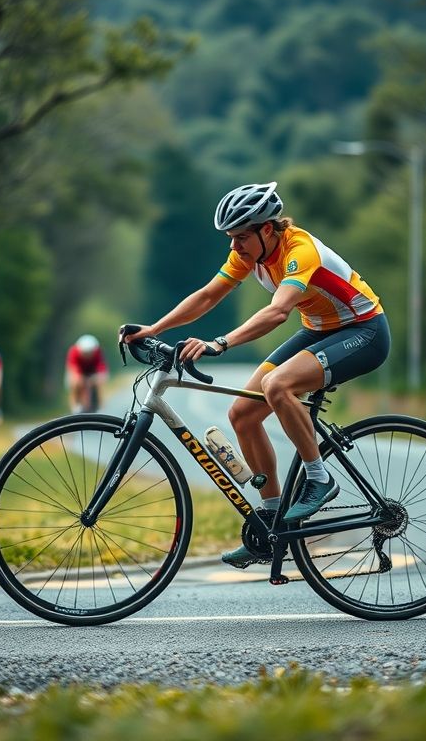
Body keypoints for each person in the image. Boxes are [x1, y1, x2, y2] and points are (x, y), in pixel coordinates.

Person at [121, 181, 390, 568]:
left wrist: (220, 343)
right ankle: (273, 523)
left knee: (277, 384)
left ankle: (320, 478)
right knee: (242, 414)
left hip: (363, 331)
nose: (235, 247)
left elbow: (278, 312)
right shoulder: (253, 254)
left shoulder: (300, 250)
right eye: (231, 238)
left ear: (268, 229)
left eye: (241, 237)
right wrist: (153, 330)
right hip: (319, 328)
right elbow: (209, 295)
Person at [66, 334, 108, 413]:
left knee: (99, 382)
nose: (88, 355)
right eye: (85, 353)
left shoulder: (97, 352)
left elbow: (101, 366)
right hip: (79, 371)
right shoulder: (73, 351)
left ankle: (101, 407)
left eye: (90, 352)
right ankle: (74, 406)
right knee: (75, 382)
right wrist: (79, 379)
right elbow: (73, 368)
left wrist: (99, 378)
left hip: (92, 372)